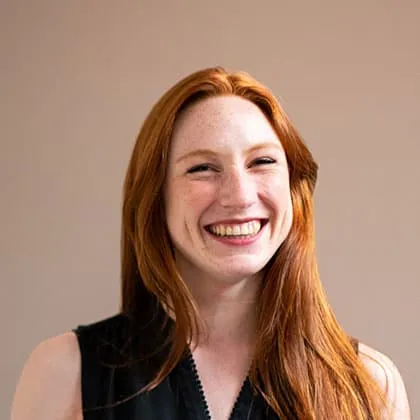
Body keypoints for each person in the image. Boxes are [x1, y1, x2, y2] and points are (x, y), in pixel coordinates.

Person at [11, 67, 411, 420]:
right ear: (155, 198)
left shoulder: (369, 387)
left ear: (293, 188)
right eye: (202, 168)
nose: (240, 196)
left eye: (262, 162)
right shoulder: (65, 374)